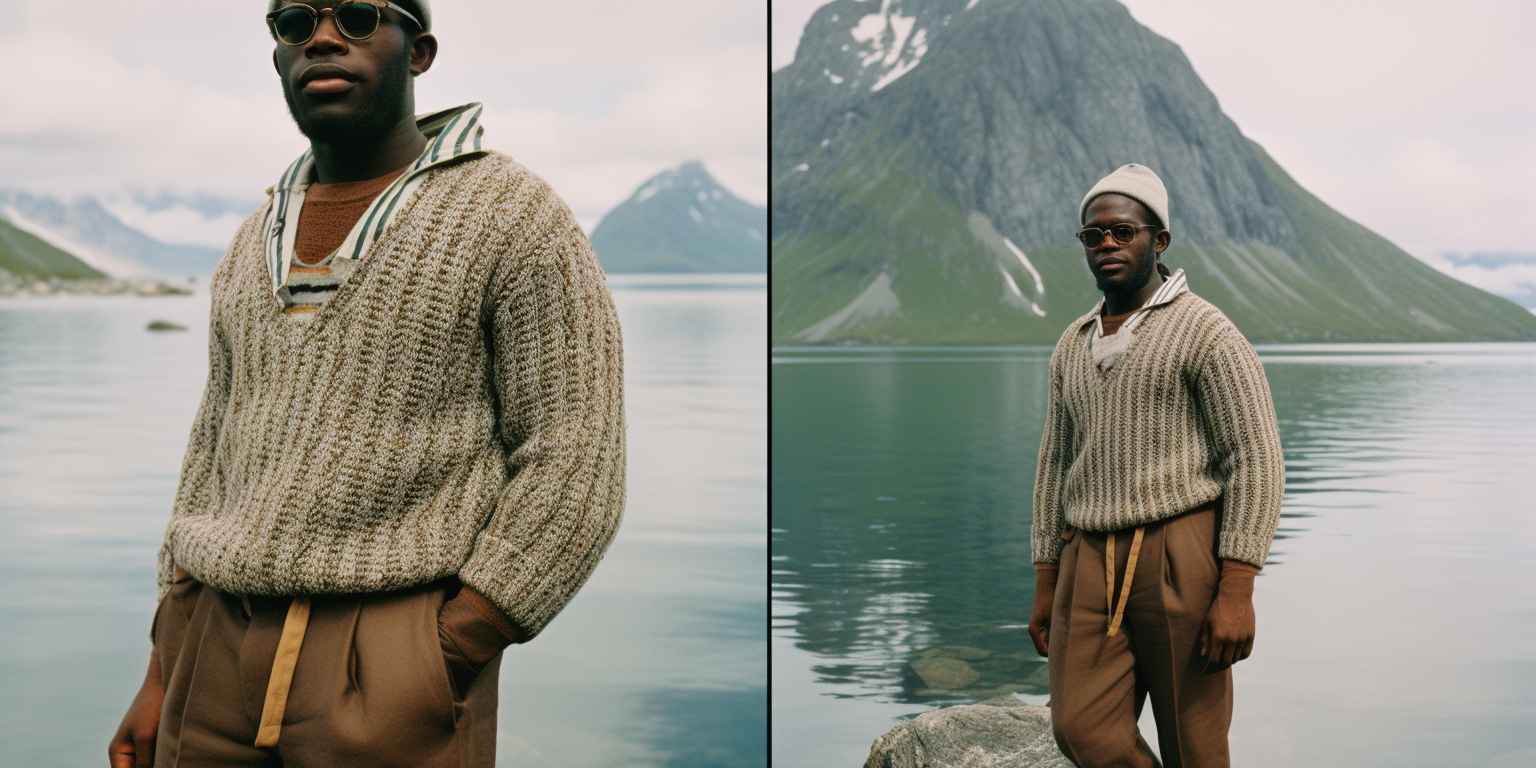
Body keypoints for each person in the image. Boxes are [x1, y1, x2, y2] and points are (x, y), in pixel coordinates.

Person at [108, 1, 626, 765]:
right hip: (207, 648)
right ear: (279, 56)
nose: (322, 37)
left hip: (389, 663)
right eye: (294, 23)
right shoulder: (253, 239)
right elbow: (210, 452)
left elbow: (577, 457)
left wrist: (452, 646)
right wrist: (162, 667)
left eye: (356, 15)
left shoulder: (514, 216)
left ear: (418, 52)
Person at [1026, 164, 1284, 767]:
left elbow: (1255, 459)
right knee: (1080, 729)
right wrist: (1046, 576)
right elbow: (1055, 461)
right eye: (1094, 235)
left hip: (1180, 551)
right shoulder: (1073, 341)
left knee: (1194, 743)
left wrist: (1237, 588)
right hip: (1086, 554)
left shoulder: (1206, 331)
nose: (1108, 245)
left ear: (1158, 240)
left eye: (1123, 231)